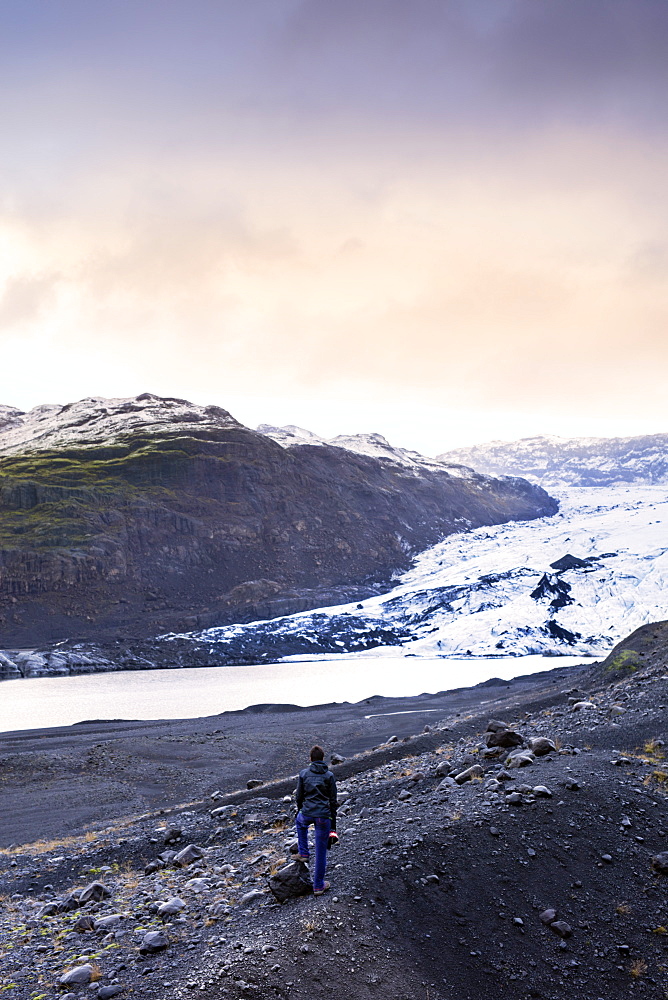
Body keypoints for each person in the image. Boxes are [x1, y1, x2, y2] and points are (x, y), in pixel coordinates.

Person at [295, 745, 338, 895]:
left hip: (307, 812)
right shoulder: (329, 776)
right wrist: (333, 825)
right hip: (323, 816)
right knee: (321, 852)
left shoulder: (303, 774)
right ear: (322, 758)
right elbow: (333, 801)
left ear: (311, 759)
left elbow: (299, 797)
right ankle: (318, 886)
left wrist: (301, 809)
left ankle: (304, 853)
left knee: (300, 822)